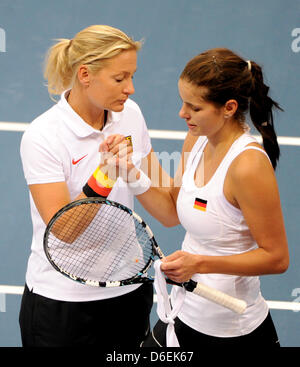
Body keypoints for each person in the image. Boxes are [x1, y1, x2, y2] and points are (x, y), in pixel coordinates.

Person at [102, 47, 289, 347]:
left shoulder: (248, 166)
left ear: (228, 108)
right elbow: (171, 213)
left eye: (195, 107)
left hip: (231, 331)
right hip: (184, 316)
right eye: (182, 102)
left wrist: (199, 264)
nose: (182, 113)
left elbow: (277, 258)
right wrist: (129, 173)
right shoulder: (196, 139)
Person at [19, 24, 167, 347]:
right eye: (120, 78)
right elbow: (64, 231)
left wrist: (134, 173)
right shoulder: (42, 136)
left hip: (128, 294)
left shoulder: (132, 116)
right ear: (85, 75)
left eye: (132, 75)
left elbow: (167, 208)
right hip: (61, 306)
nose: (130, 88)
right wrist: (105, 176)